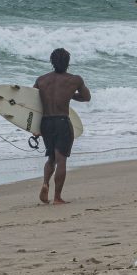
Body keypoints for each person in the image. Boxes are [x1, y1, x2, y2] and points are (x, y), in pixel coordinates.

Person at [34, 48, 91, 204]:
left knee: (51, 158)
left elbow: (33, 105)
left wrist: (35, 128)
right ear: (68, 62)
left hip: (45, 122)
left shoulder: (41, 80)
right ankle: (57, 197)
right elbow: (86, 97)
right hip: (62, 121)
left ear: (52, 62)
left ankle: (45, 183)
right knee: (62, 160)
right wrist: (70, 95)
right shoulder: (75, 80)